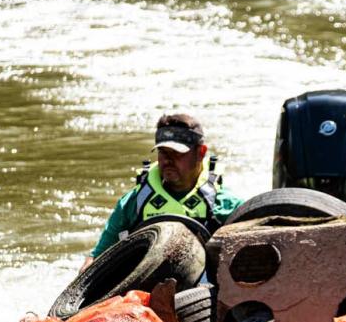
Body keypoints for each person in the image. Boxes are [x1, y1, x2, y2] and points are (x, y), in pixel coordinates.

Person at [86, 112, 243, 261]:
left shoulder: (227, 205)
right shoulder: (132, 203)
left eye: (177, 153)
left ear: (201, 152)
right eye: (163, 152)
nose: (168, 160)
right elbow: (98, 255)